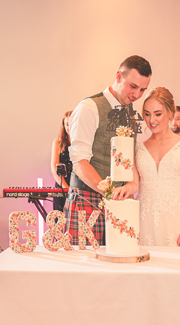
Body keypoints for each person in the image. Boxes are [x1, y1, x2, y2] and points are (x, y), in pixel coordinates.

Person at [64, 55, 152, 245]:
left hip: (119, 205)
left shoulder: (130, 113)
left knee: (119, 269)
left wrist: (133, 185)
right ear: (119, 76)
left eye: (143, 90)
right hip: (86, 200)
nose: (137, 95)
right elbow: (79, 162)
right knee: (85, 268)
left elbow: (131, 158)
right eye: (133, 87)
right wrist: (109, 192)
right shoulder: (89, 108)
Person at [113, 87, 180, 247]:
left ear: (170, 112)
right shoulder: (138, 147)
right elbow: (135, 184)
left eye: (157, 114)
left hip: (177, 220)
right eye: (147, 114)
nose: (151, 120)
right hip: (144, 219)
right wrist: (125, 188)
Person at [50, 110, 72, 211]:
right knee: (60, 220)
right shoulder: (58, 143)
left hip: (78, 186)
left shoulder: (83, 143)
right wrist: (67, 188)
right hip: (62, 185)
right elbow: (54, 168)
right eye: (67, 124)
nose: (69, 127)